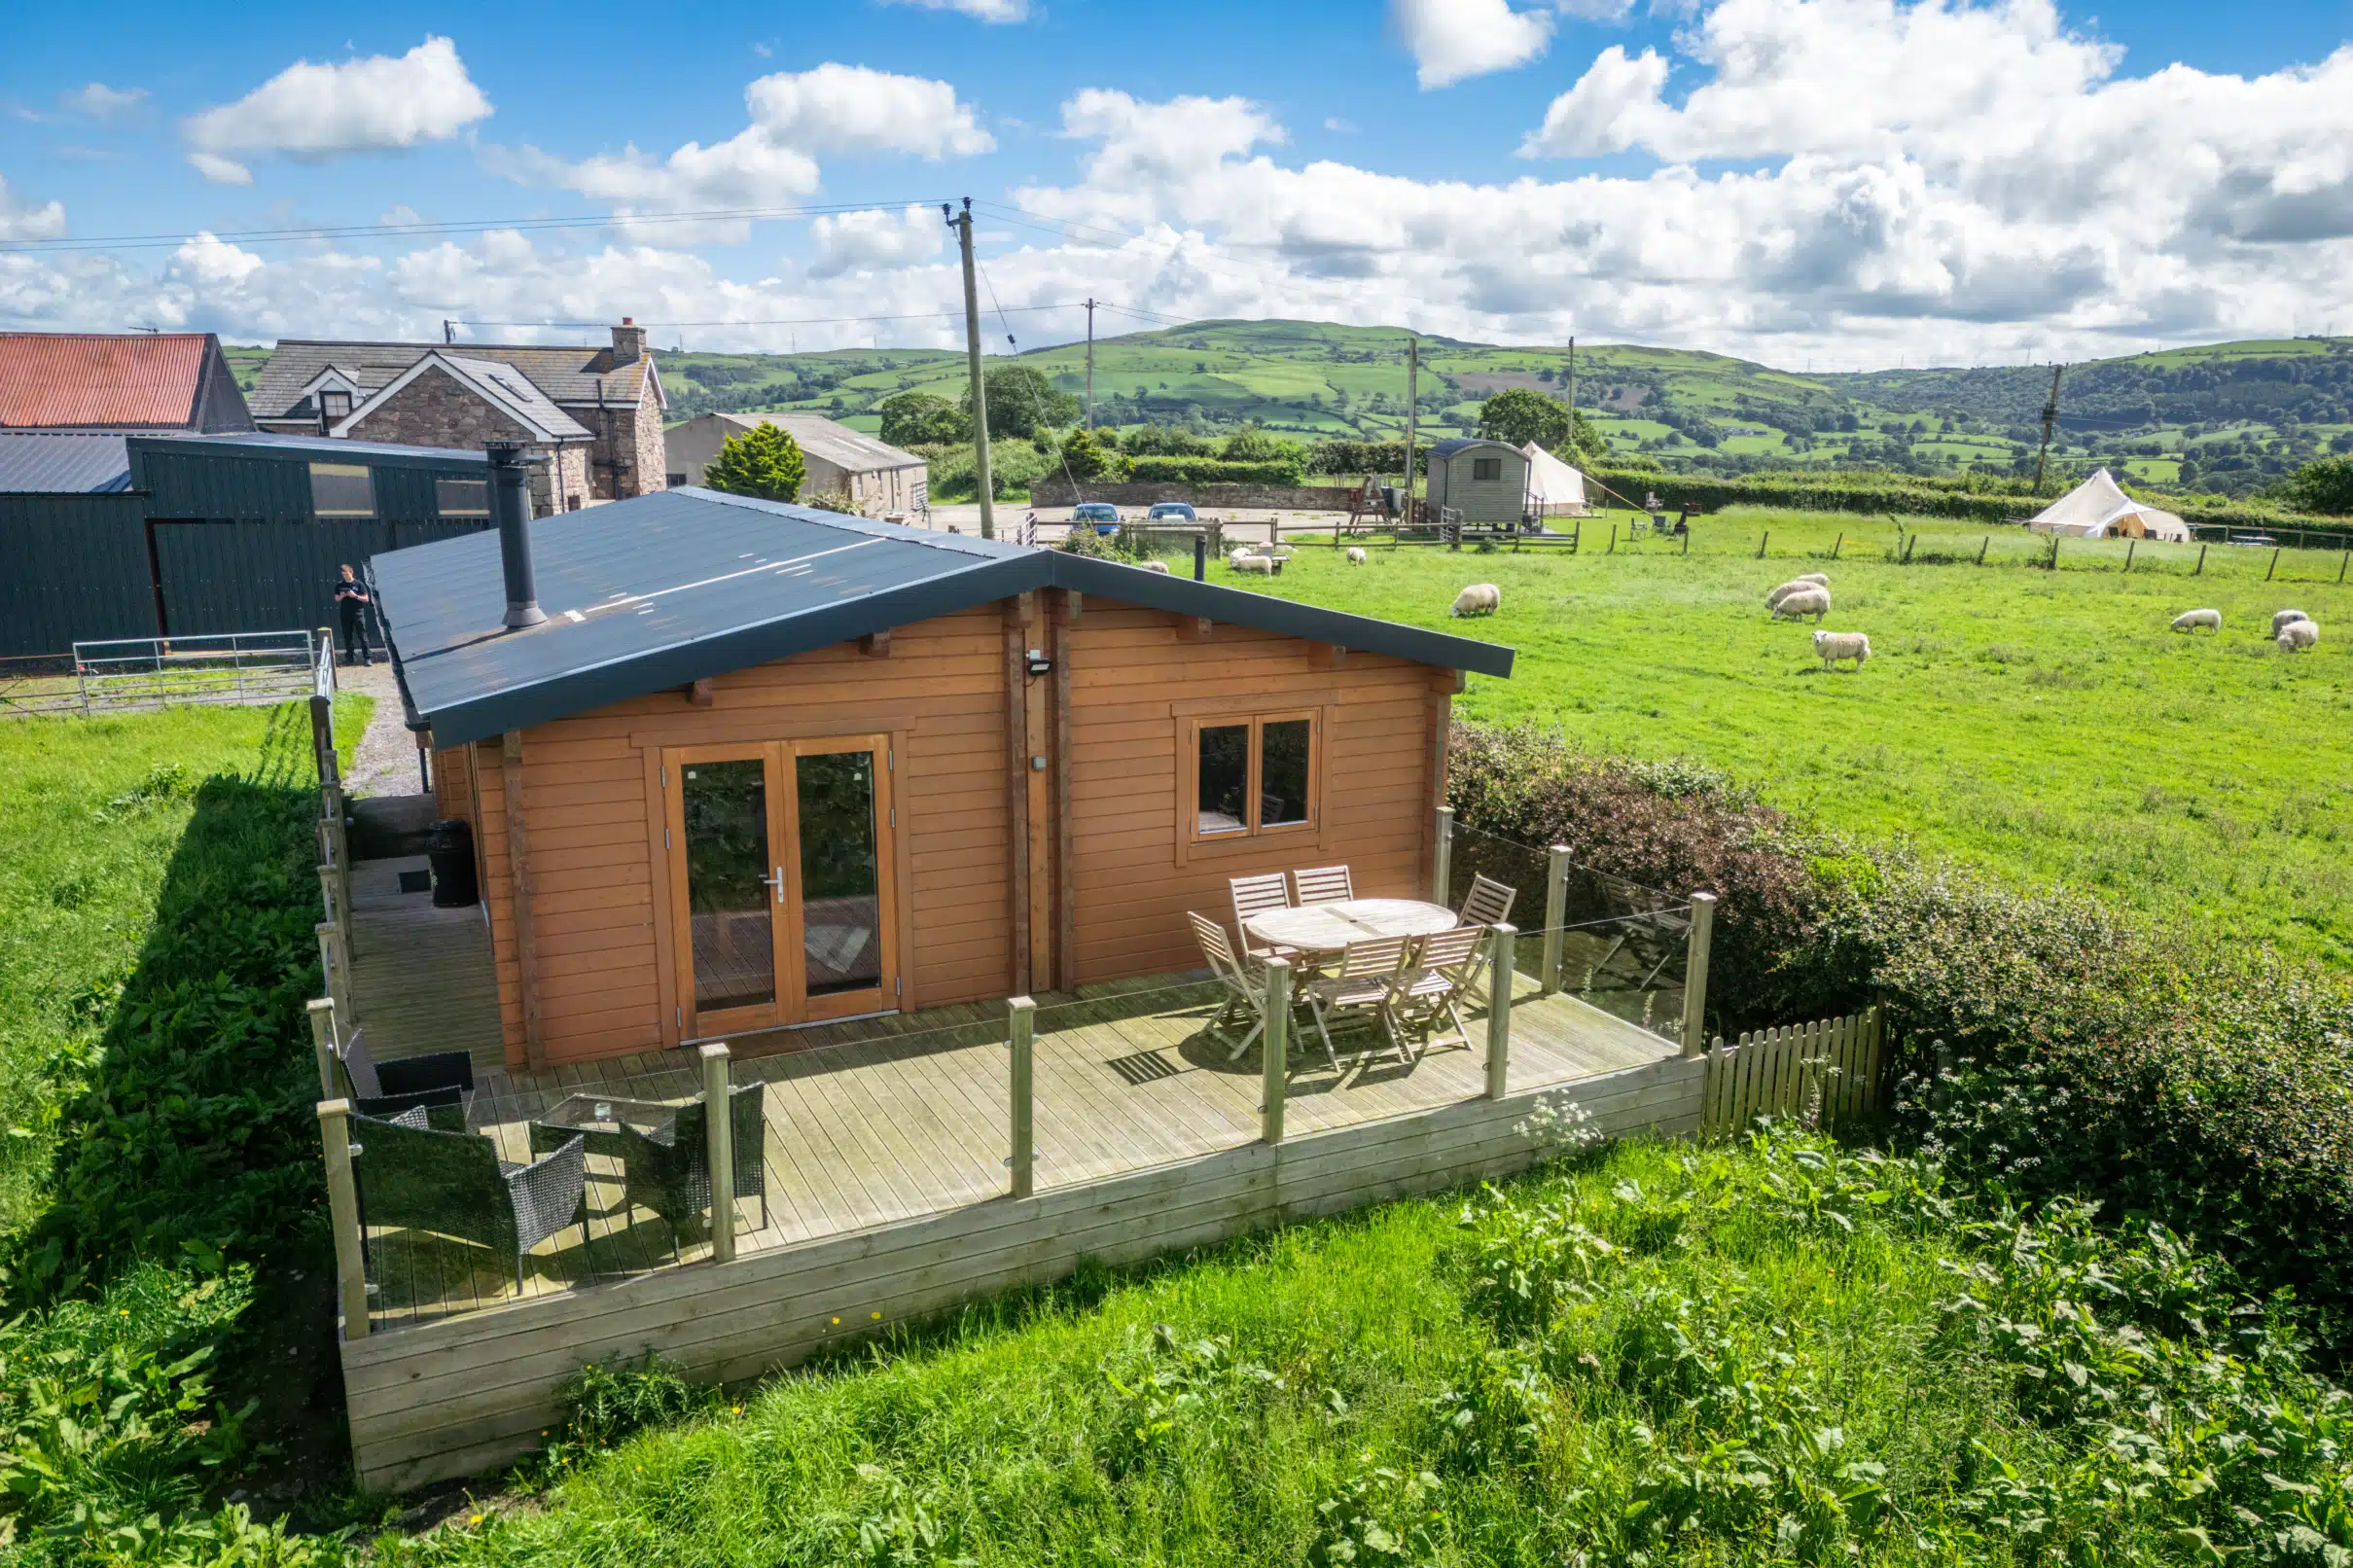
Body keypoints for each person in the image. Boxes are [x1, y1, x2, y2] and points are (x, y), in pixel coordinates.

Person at [333, 564, 372, 666]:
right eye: (343, 574)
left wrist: (354, 596)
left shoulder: (359, 584)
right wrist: (342, 595)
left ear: (351, 572)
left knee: (362, 636)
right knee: (347, 636)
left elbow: (366, 599)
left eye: (346, 574)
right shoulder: (339, 585)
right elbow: (336, 599)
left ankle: (367, 658)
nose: (345, 576)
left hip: (358, 613)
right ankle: (349, 658)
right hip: (345, 614)